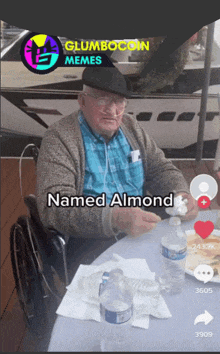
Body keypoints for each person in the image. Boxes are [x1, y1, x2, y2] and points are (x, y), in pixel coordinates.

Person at [36, 66, 198, 255]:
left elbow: (160, 168)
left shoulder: (131, 126)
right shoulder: (60, 138)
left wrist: (180, 193)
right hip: (91, 240)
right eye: (102, 100)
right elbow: (55, 205)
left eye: (119, 101)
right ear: (82, 100)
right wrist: (113, 217)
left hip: (142, 227)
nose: (112, 111)